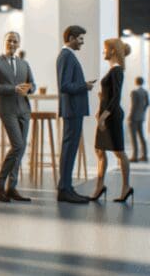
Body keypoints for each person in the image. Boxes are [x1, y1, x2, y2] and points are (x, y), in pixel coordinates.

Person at [0, 31, 36, 203]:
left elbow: (33, 85)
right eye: (9, 40)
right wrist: (12, 89)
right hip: (7, 109)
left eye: (15, 41)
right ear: (4, 42)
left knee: (21, 149)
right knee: (17, 145)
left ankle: (11, 187)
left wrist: (28, 89)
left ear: (19, 44)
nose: (12, 44)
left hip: (24, 109)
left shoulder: (24, 64)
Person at [56, 25, 95, 204]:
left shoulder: (69, 56)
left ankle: (67, 187)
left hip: (73, 109)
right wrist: (84, 86)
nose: (82, 42)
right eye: (80, 39)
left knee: (70, 149)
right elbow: (64, 85)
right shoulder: (66, 56)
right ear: (71, 38)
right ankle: (64, 189)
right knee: (69, 149)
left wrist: (82, 84)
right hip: (72, 110)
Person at [91, 39, 134, 203]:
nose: (104, 52)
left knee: (119, 152)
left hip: (112, 116)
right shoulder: (112, 71)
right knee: (100, 150)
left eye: (105, 49)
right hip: (105, 114)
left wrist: (103, 116)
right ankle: (99, 186)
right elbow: (108, 95)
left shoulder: (117, 71)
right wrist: (98, 109)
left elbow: (116, 98)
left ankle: (126, 188)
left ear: (113, 51)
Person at [129, 76, 148, 162]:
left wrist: (130, 116)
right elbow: (147, 103)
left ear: (135, 82)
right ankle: (144, 155)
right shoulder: (145, 92)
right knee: (142, 136)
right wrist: (142, 112)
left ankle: (135, 156)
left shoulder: (134, 92)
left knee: (133, 137)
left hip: (134, 118)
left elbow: (133, 105)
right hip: (141, 117)